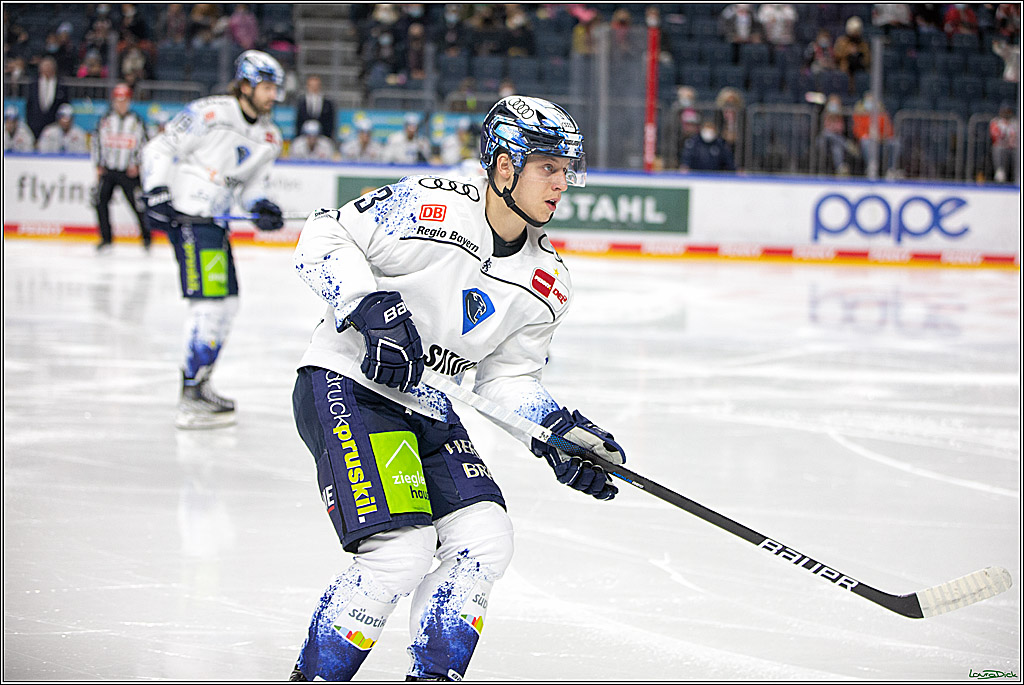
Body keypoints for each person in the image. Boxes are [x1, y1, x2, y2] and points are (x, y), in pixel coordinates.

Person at [287, 94, 625, 682]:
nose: (561, 183)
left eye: (567, 170)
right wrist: (368, 308)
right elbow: (322, 237)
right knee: (401, 552)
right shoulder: (426, 205)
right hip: (349, 385)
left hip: (428, 405)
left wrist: (558, 433)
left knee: (484, 539)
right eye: (548, 167)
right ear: (503, 165)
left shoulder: (549, 281)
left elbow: (507, 378)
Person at [140, 50, 286, 429]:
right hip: (192, 219)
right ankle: (189, 396)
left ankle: (200, 383)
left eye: (276, 88)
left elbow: (251, 188)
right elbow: (158, 148)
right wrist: (156, 190)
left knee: (229, 304)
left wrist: (262, 207)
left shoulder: (269, 137)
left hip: (217, 225)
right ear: (245, 84)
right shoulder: (210, 113)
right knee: (208, 306)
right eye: (267, 87)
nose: (274, 96)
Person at [92, 83, 150, 251]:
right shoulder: (106, 120)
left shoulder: (136, 121)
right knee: (100, 201)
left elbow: (144, 145)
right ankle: (106, 238)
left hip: (129, 171)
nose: (121, 104)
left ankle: (146, 237)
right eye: (118, 101)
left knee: (138, 206)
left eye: (124, 101)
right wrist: (98, 165)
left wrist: (137, 164)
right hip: (109, 169)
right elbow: (97, 143)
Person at [851, 92, 900, 179]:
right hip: (866, 143)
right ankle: (871, 166)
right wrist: (868, 136)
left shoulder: (882, 116)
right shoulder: (859, 115)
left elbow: (889, 132)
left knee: (895, 143)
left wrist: (881, 137)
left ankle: (891, 169)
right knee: (865, 142)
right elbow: (857, 131)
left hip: (881, 143)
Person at [25, 56, 69, 141]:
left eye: (49, 66)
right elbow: (29, 105)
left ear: (54, 68)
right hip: (36, 124)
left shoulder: (61, 86)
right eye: (45, 66)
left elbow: (64, 105)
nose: (47, 69)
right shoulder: (33, 85)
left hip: (54, 126)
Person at [816, 94, 857, 175]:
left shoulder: (841, 116)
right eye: (832, 103)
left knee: (836, 148)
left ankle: (840, 168)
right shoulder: (823, 114)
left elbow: (840, 129)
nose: (833, 106)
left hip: (835, 139)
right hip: (823, 140)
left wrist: (835, 118)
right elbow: (824, 129)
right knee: (827, 133)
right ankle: (847, 144)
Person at [296, 74, 336, 141]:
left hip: (323, 137)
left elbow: (330, 122)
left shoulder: (327, 103)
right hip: (304, 137)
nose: (314, 88)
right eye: (312, 85)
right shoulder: (301, 102)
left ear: (320, 86)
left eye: (316, 85)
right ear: (307, 86)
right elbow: (299, 121)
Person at [989, 103, 1019, 183]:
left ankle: (1018, 176)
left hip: (1013, 147)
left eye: (1008, 111)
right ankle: (1000, 172)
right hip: (1001, 146)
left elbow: (1016, 136)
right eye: (1004, 111)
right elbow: (996, 136)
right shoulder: (996, 122)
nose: (1006, 113)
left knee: (1018, 152)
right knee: (997, 149)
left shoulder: (1016, 123)